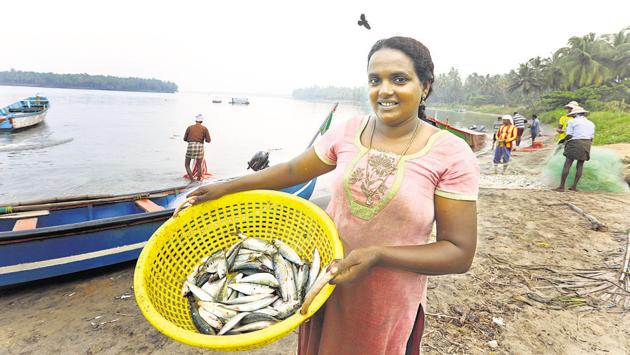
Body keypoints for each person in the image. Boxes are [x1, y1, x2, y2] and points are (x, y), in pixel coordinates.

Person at [184, 36, 479, 355]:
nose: (384, 90)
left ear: (425, 86)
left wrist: (379, 254)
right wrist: (226, 186)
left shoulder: (451, 154)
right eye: (374, 80)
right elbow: (293, 171)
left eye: (399, 79)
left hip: (388, 301)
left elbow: (459, 253)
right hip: (325, 284)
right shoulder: (349, 131)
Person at [554, 107, 595, 192]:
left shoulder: (572, 121)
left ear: (576, 114)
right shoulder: (591, 123)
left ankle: (561, 187)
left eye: (573, 115)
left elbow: (569, 135)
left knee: (568, 163)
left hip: (575, 142)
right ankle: (574, 187)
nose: (572, 116)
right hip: (587, 143)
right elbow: (591, 138)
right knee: (580, 165)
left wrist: (563, 140)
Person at [183, 114, 211, 182]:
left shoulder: (189, 127)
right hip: (199, 146)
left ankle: (192, 180)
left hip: (191, 145)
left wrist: (191, 140)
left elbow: (184, 139)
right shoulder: (204, 128)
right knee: (199, 165)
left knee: (187, 164)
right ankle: (198, 180)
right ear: (202, 121)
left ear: (196, 120)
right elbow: (208, 140)